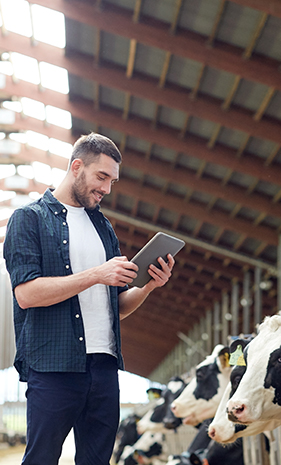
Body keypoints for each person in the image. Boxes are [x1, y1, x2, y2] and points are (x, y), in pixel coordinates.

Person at [3, 133, 175, 465]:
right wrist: (96, 274)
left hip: (104, 366)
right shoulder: (29, 219)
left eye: (113, 181)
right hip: (54, 366)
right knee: (41, 459)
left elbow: (117, 308)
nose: (107, 189)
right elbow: (26, 294)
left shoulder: (103, 227)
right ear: (76, 166)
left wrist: (150, 286)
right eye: (102, 177)